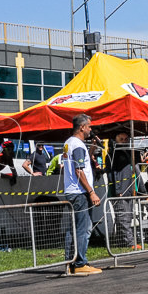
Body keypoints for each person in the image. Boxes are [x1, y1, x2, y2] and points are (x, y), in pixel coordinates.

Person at [62, 114, 102, 275]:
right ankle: (80, 263)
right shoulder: (77, 145)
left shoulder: (68, 143)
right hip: (80, 193)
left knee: (73, 229)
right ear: (82, 127)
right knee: (83, 229)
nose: (90, 129)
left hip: (72, 191)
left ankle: (70, 262)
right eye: (89, 126)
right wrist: (91, 192)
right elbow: (79, 170)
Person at [107, 129, 141, 250]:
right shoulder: (114, 154)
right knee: (123, 217)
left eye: (126, 139)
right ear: (115, 140)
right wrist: (118, 190)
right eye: (121, 139)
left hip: (129, 189)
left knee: (128, 216)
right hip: (120, 191)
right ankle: (129, 242)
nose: (124, 141)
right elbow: (113, 174)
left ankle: (123, 240)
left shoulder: (128, 153)